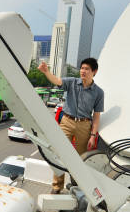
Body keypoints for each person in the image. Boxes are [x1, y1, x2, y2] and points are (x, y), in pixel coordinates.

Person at [38, 58, 104, 193]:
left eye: (87, 69)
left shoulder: (98, 92)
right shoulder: (72, 82)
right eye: (82, 68)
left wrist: (93, 135)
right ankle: (57, 186)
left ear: (94, 72)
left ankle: (75, 186)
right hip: (67, 122)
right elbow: (57, 81)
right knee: (60, 154)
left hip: (84, 126)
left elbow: (96, 116)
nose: (83, 71)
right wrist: (46, 72)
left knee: (80, 159)